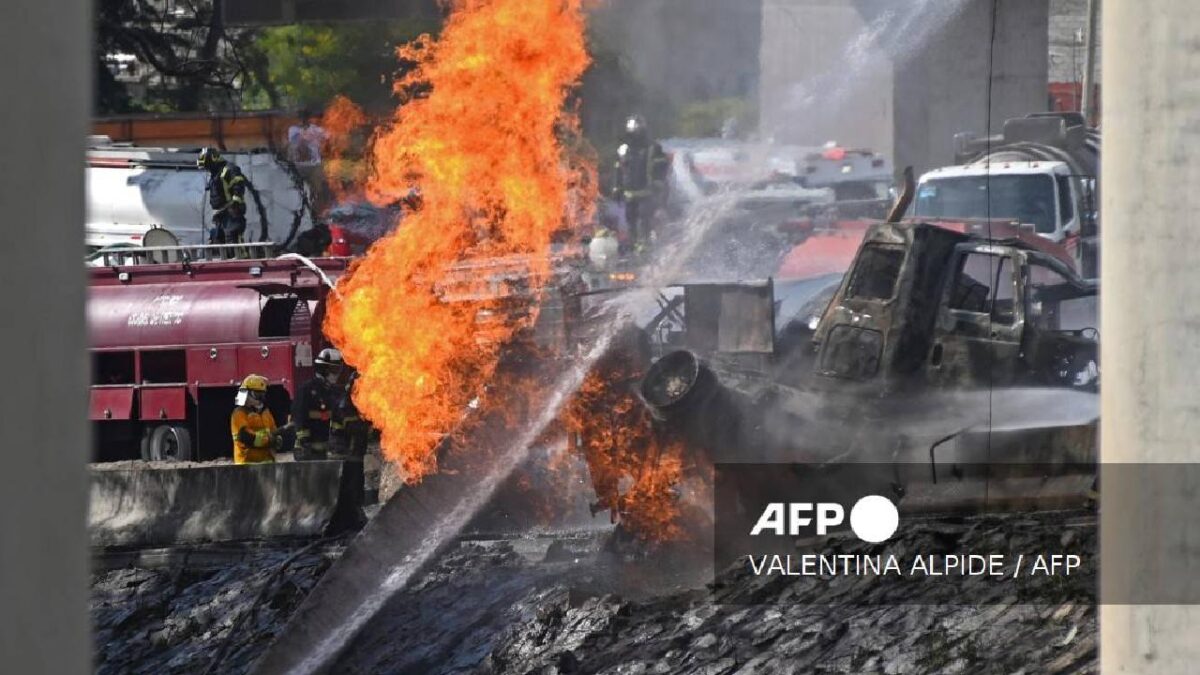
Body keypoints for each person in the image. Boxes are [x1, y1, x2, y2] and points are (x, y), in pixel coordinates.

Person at [611, 115, 669, 253]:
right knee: (630, 221)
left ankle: (645, 247)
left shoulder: (653, 148)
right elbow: (618, 169)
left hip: (646, 193)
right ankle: (632, 246)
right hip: (629, 194)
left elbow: (662, 166)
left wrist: (658, 183)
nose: (633, 133)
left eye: (636, 129)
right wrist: (616, 188)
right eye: (631, 129)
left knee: (645, 220)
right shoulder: (623, 149)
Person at [292, 348, 362, 460]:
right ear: (323, 369)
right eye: (334, 369)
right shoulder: (307, 389)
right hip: (307, 449)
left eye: (339, 369)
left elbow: (340, 412)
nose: (337, 374)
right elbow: (299, 416)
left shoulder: (334, 390)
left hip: (327, 449)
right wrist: (304, 440)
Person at [197, 147, 248, 247]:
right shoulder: (215, 174)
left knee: (233, 239)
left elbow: (239, 185)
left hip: (232, 213)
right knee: (218, 240)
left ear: (213, 160)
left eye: (207, 165)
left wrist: (235, 204)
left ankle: (241, 261)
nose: (207, 169)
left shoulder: (229, 169)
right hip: (221, 215)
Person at [230, 374, 284, 464]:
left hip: (267, 465)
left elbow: (274, 431)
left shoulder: (266, 413)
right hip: (246, 465)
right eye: (258, 394)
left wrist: (278, 440)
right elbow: (245, 437)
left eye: (263, 395)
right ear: (246, 393)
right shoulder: (239, 413)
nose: (261, 399)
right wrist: (269, 440)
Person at [288, 109, 330, 211]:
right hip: (299, 166)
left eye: (304, 118)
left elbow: (329, 136)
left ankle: (317, 211)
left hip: (314, 166)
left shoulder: (316, 129)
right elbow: (295, 142)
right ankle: (306, 211)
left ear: (308, 119)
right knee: (300, 191)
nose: (302, 120)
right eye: (300, 118)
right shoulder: (293, 130)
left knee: (317, 190)